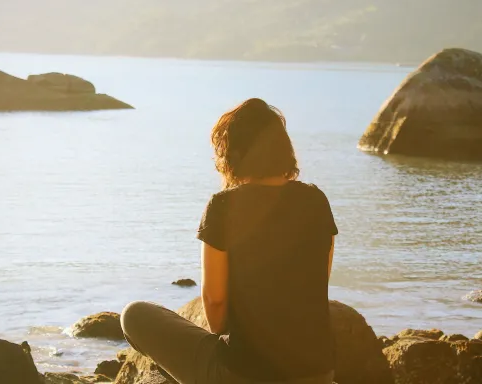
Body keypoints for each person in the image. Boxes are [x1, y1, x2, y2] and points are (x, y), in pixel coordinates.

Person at [121, 98, 337, 384]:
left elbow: (215, 300)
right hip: (317, 373)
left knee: (134, 315)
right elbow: (318, 282)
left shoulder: (223, 206)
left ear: (232, 154)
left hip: (244, 373)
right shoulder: (316, 200)